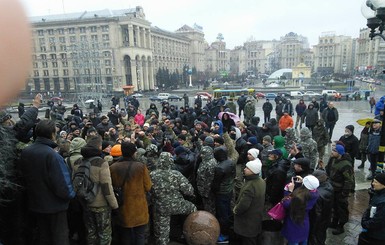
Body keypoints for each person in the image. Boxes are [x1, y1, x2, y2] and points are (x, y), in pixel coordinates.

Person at [20, 120, 76, 245]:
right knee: (59, 238)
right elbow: (63, 185)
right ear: (52, 134)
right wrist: (71, 195)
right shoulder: (52, 156)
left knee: (43, 237)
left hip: (36, 203)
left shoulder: (26, 152)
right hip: (55, 206)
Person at [110, 142, 152, 245]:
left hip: (123, 207)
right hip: (139, 207)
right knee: (140, 235)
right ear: (134, 153)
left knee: (126, 235)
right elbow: (148, 186)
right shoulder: (140, 167)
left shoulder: (113, 167)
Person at [150, 152, 197, 245]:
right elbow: (189, 190)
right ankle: (190, 233)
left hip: (161, 207)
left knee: (161, 232)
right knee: (193, 209)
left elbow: (148, 191)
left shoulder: (152, 175)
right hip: (178, 205)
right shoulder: (176, 174)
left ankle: (162, 241)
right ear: (171, 162)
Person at [80, 135, 119, 245]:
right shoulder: (101, 163)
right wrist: (114, 205)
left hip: (86, 202)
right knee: (104, 234)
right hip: (101, 205)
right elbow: (106, 187)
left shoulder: (80, 161)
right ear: (99, 147)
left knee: (91, 232)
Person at [233, 159, 265, 245]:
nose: (244, 169)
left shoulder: (250, 186)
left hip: (247, 220)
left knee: (248, 240)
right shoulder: (261, 181)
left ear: (253, 171)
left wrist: (235, 210)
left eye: (247, 168)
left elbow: (243, 205)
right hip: (256, 216)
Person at [281, 175, 319, 245]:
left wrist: (289, 191)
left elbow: (287, 204)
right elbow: (306, 192)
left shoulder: (299, 199)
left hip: (294, 223)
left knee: (293, 242)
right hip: (304, 223)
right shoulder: (315, 194)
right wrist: (302, 183)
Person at [328, 144, 354, 235]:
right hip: (333, 189)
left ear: (339, 153)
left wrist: (344, 193)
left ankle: (341, 226)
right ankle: (334, 222)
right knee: (334, 207)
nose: (332, 152)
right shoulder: (333, 160)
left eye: (334, 151)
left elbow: (349, 180)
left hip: (341, 191)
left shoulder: (346, 165)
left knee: (341, 209)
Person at [358, 172, 385, 245]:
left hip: (376, 236)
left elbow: (377, 221)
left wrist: (365, 223)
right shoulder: (378, 193)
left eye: (376, 182)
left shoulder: (383, 202)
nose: (373, 183)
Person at [309, 170, 334, 245]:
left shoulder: (317, 195)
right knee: (321, 236)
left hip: (318, 222)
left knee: (315, 238)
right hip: (326, 218)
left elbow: (316, 214)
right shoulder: (329, 186)